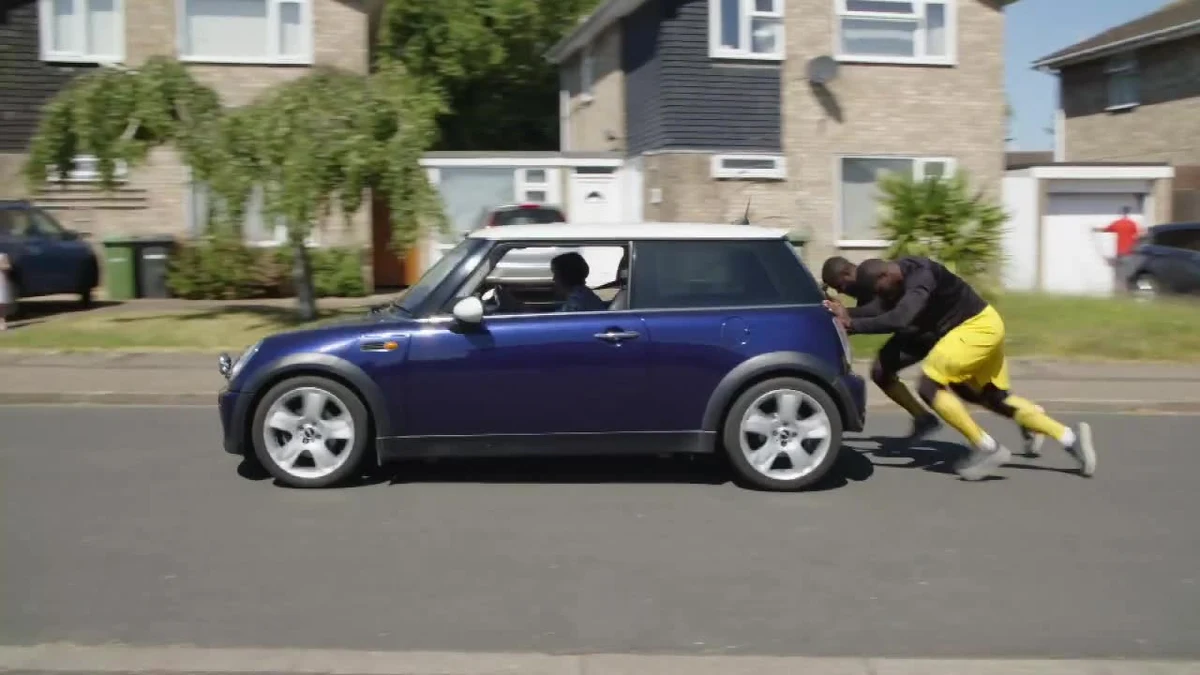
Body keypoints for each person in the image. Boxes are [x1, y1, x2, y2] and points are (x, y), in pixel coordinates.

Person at [827, 257, 1096, 481]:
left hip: (973, 329)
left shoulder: (921, 277)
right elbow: (882, 307)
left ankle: (986, 447)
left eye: (881, 291)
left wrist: (852, 325)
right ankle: (1070, 438)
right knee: (996, 400)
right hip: (986, 324)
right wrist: (848, 315)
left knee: (929, 384)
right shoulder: (899, 274)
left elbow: (900, 317)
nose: (880, 297)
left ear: (885, 276)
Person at [0, 252, 12, 331]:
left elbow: (8, 267)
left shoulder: (2, 256)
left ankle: (2, 323)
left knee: (1, 305)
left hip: (1, 283)